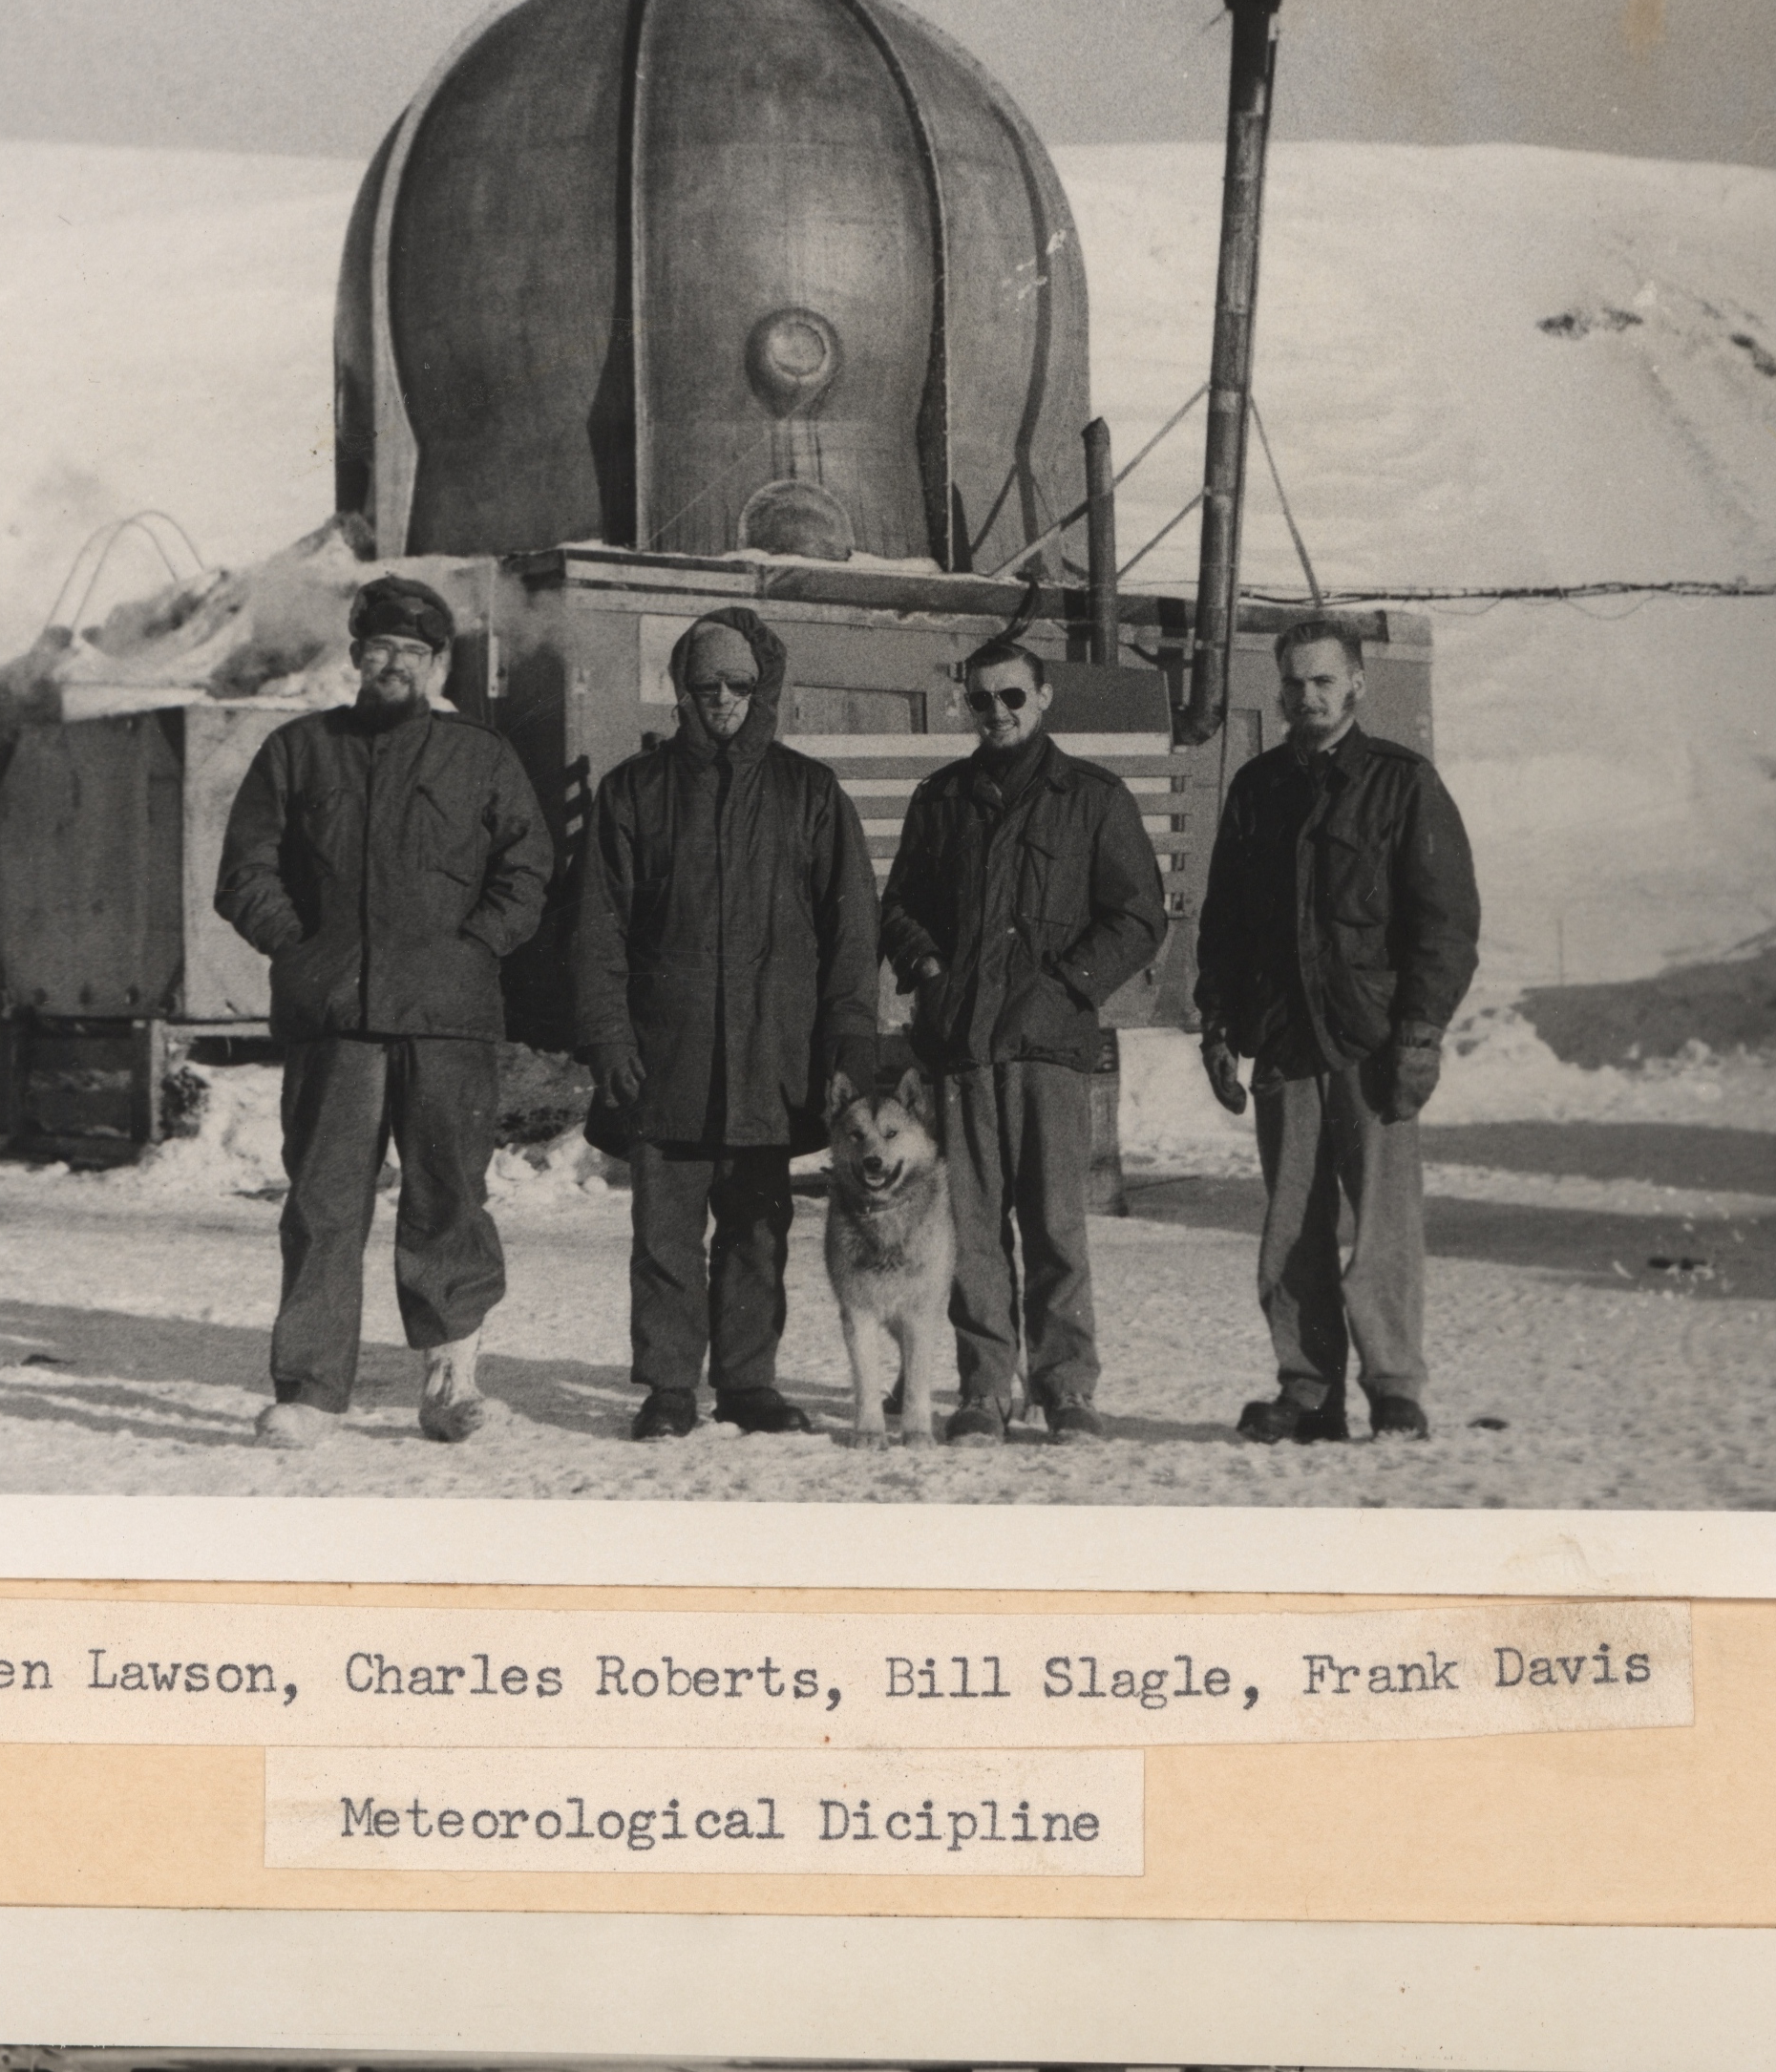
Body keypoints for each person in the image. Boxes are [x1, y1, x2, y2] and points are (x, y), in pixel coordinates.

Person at [214, 574, 552, 1448]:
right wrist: (300, 949)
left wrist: (475, 946)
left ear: (437, 664)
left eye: (412, 651)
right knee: (323, 1205)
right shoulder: (301, 750)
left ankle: (450, 1380)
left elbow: (527, 867)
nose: (394, 664)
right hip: (337, 1020)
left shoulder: (480, 756)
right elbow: (245, 870)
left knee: (449, 1198)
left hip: (447, 1020)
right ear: (356, 656)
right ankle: (310, 1391)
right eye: (379, 649)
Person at [572, 609, 879, 1444]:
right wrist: (609, 1038)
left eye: (738, 684)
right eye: (705, 684)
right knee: (664, 1234)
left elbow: (852, 934)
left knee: (757, 1231)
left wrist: (847, 1048)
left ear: (762, 686)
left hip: (770, 1057)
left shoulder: (809, 792)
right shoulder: (634, 792)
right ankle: (670, 1387)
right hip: (665, 1055)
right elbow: (596, 928)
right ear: (681, 689)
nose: (722, 700)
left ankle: (748, 1384)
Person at [1192, 613, 1482, 1447]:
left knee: (1384, 1228)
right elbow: (1224, 922)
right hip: (1285, 1040)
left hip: (1371, 1041)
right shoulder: (1256, 789)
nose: (1307, 697)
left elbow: (1446, 923)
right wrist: (1218, 1024)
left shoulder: (1402, 783)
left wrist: (1420, 1033)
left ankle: (1394, 1388)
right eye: (1294, 683)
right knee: (1292, 1226)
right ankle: (1309, 1390)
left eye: (1323, 680)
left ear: (1357, 682)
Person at [880, 636, 1168, 1447]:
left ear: (1043, 698)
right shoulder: (942, 799)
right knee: (970, 1231)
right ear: (966, 705)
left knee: (1055, 1227)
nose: (997, 712)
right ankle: (983, 1389)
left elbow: (1139, 916)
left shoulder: (1094, 797)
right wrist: (928, 967)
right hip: (962, 1047)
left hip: (1049, 1049)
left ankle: (1066, 1388)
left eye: (1012, 696)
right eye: (982, 699)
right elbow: (898, 906)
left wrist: (1066, 987)